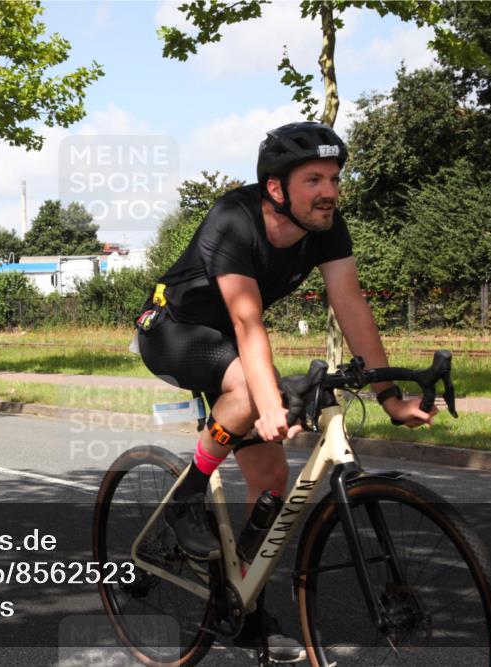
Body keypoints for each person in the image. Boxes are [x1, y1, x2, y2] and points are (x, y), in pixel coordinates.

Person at [135, 121, 438, 661]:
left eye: (335, 178)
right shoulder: (233, 220)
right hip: (174, 329)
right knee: (254, 396)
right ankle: (187, 496)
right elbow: (248, 324)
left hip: (230, 338)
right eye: (314, 179)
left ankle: (242, 604)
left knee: (273, 482)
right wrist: (269, 402)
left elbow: (351, 304)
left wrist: (390, 396)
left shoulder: (326, 226)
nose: (330, 191)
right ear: (276, 188)